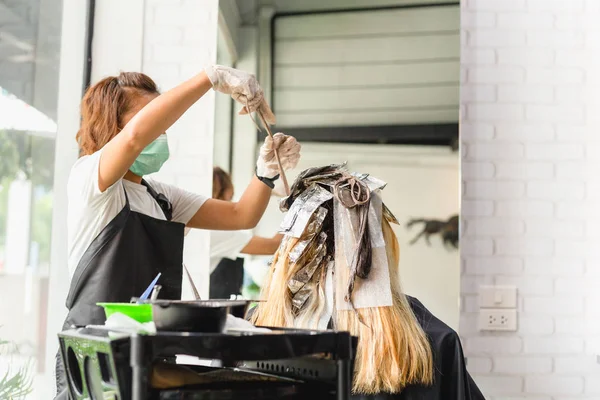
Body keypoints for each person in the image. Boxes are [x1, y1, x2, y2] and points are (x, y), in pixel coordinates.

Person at [55, 66, 301, 398]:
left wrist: (266, 173)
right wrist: (209, 78)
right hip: (95, 356)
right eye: (152, 119)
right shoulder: (91, 180)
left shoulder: (161, 197)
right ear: (113, 125)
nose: (162, 132)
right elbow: (134, 138)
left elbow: (242, 215)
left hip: (148, 355)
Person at [208, 166, 283, 298]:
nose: (231, 205)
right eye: (230, 199)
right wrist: (298, 210)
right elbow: (273, 246)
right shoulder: (215, 232)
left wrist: (266, 193)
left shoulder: (202, 227)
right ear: (221, 195)